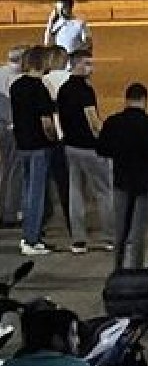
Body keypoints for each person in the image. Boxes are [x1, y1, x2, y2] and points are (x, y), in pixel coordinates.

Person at [96, 83, 148, 270]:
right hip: (147, 182)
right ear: (145, 100)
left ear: (126, 99)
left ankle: (118, 269)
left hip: (122, 181)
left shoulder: (113, 122)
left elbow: (102, 149)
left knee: (120, 231)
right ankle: (136, 270)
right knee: (138, 233)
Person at [56, 49, 114, 254]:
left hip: (70, 147)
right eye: (87, 63)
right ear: (77, 64)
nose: (92, 68)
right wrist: (106, 139)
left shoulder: (63, 89)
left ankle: (78, 240)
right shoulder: (85, 91)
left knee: (76, 193)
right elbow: (93, 122)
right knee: (104, 192)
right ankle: (109, 237)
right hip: (90, 148)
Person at [10, 46, 57, 255]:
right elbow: (46, 122)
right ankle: (31, 238)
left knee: (28, 191)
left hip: (23, 143)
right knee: (36, 194)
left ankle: (30, 237)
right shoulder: (39, 88)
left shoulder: (16, 85)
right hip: (38, 145)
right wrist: (54, 138)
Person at [43, 45, 72, 230]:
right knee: (71, 182)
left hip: (51, 134)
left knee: (50, 180)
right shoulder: (71, 79)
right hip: (71, 134)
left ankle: (45, 218)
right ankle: (73, 220)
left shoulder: (44, 80)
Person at [0, 44, 27, 226]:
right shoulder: (16, 78)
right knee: (14, 171)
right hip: (9, 128)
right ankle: (11, 212)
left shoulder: (1, 71)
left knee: (4, 170)